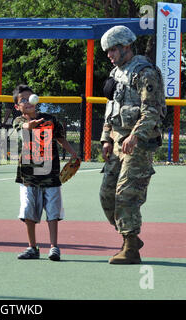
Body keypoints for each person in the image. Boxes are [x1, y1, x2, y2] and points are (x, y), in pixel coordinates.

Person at [99, 26, 166, 264]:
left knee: (126, 194)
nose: (109, 54)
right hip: (118, 141)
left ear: (126, 46)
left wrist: (135, 135)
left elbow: (152, 112)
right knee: (107, 195)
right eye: (107, 51)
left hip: (139, 144)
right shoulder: (117, 73)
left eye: (113, 49)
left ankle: (130, 248)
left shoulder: (145, 73)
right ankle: (131, 237)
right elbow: (111, 108)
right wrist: (106, 138)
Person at [12, 84, 78, 261]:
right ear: (17, 106)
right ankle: (32, 247)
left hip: (51, 174)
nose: (27, 101)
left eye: (30, 97)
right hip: (28, 176)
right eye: (22, 100)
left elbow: (60, 138)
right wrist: (29, 126)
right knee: (28, 212)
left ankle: (54, 247)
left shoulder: (50, 119)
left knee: (53, 212)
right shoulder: (19, 121)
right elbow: (21, 129)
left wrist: (73, 153)